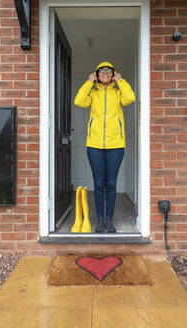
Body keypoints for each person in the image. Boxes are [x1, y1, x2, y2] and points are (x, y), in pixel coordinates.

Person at [74, 61, 135, 233]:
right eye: (102, 71)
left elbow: (130, 98)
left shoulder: (118, 92)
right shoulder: (93, 93)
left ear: (114, 74)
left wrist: (121, 81)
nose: (105, 72)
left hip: (116, 145)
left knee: (111, 183)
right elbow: (78, 101)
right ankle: (100, 220)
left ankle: (109, 220)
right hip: (94, 145)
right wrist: (88, 82)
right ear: (97, 75)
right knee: (99, 183)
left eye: (109, 70)